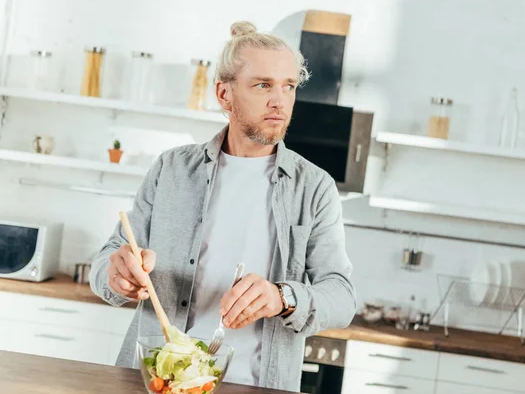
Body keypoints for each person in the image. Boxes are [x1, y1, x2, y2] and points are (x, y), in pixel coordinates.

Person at [89, 20, 356, 392]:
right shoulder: (171, 169)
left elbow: (342, 296)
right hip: (157, 381)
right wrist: (117, 274)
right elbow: (105, 265)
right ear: (224, 94)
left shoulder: (314, 188)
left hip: (259, 385)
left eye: (289, 86)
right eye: (263, 85)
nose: (280, 100)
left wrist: (283, 297)